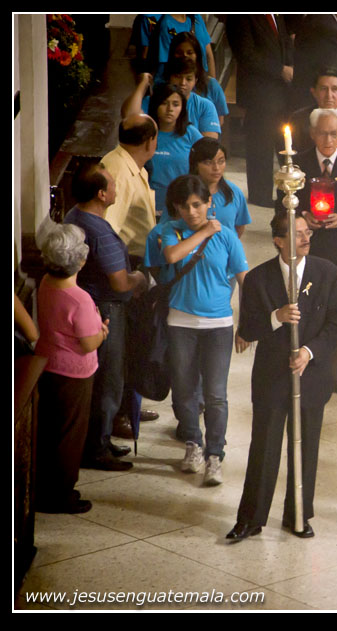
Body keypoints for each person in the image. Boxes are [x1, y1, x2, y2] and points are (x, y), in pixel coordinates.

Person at [228, 213, 337, 542]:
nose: (306, 238)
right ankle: (251, 518)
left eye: (307, 232)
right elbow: (248, 329)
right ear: (278, 241)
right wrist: (276, 317)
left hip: (311, 376)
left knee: (306, 448)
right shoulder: (258, 279)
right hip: (272, 377)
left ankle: (298, 514)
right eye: (297, 234)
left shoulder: (328, 274)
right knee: (263, 448)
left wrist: (308, 352)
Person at [158, 175, 249, 486]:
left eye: (197, 204)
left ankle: (214, 455)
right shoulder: (171, 231)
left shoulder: (226, 237)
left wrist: (247, 324)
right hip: (180, 323)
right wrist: (205, 231)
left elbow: (244, 280)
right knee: (184, 391)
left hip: (218, 325)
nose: (191, 212)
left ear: (209, 203)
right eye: (184, 206)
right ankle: (193, 444)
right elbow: (172, 256)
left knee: (215, 394)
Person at [279, 108, 337, 394]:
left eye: (334, 134)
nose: (329, 139)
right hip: (306, 255)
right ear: (312, 134)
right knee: (305, 314)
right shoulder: (298, 165)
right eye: (323, 133)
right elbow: (279, 208)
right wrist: (302, 217)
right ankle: (304, 369)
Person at [64, 163, 147, 471]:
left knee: (101, 380)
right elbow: (120, 282)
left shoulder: (74, 216)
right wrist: (140, 279)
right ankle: (97, 449)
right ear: (101, 194)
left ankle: (100, 440)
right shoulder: (99, 231)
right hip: (107, 309)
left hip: (90, 305)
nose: (115, 188)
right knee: (109, 381)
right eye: (111, 184)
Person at [33, 220, 108, 513]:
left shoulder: (46, 282)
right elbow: (88, 343)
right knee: (70, 437)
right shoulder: (79, 298)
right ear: (80, 261)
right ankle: (61, 495)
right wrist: (103, 331)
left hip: (48, 365)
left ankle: (45, 490)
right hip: (74, 374)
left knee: (51, 433)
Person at [225, 15, 294, 207]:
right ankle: (260, 195)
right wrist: (280, 69)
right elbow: (246, 54)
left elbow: (284, 43)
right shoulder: (242, 18)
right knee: (260, 146)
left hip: (281, 93)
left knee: (284, 143)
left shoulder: (276, 16)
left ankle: (288, 190)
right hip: (259, 93)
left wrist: (291, 65)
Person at [100, 114, 158, 261]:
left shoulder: (137, 168)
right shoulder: (119, 173)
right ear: (149, 142)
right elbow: (107, 228)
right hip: (123, 261)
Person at [140, 82, 203, 214]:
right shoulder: (145, 133)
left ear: (182, 108)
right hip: (149, 205)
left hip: (184, 207)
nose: (170, 109)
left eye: (175, 104)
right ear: (155, 105)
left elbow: (207, 160)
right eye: (164, 103)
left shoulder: (191, 133)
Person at [185, 137, 250, 237]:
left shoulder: (234, 192)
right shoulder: (182, 192)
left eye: (221, 161)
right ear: (195, 165)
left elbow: (239, 227)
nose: (216, 168)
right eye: (208, 162)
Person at [165, 31, 228, 128]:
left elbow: (220, 120)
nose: (185, 56)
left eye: (189, 52)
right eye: (179, 52)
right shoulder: (163, 85)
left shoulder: (211, 85)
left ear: (197, 55)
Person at [147, 14, 215, 79]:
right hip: (182, 81)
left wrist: (213, 83)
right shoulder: (167, 25)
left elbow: (209, 56)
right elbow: (164, 66)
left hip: (202, 78)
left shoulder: (196, 18)